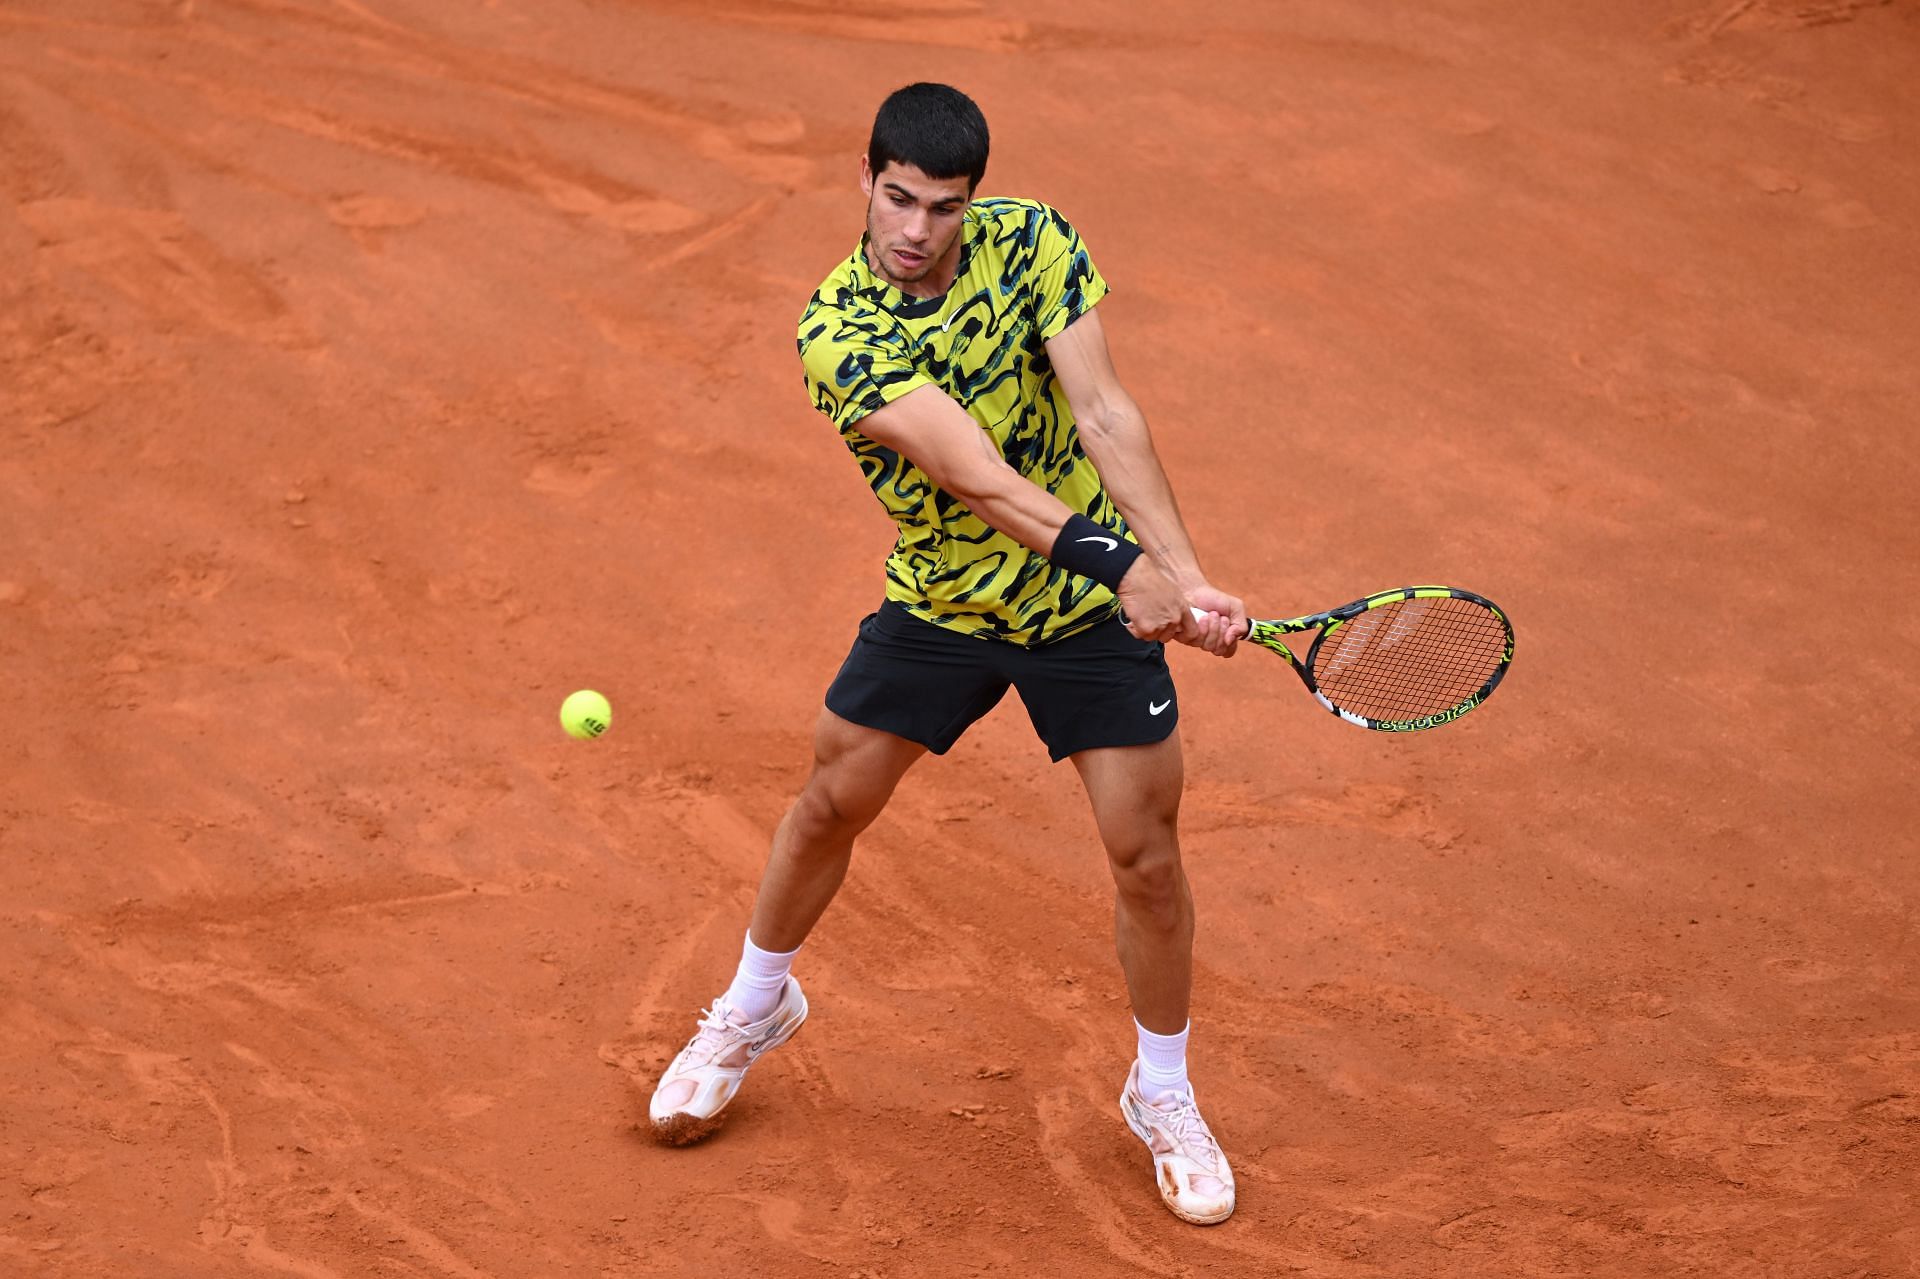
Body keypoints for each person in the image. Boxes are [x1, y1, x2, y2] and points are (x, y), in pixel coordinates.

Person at [647, 82, 1248, 1227]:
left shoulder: (1032, 241)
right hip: (947, 600)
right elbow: (973, 474)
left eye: (944, 207)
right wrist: (1129, 572)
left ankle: (1161, 1091)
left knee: (1147, 857)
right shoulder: (841, 333)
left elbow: (1105, 413)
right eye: (898, 199)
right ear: (865, 184)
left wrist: (1184, 569)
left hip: (1082, 610)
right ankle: (753, 1003)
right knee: (831, 800)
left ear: (978, 200)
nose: (917, 231)